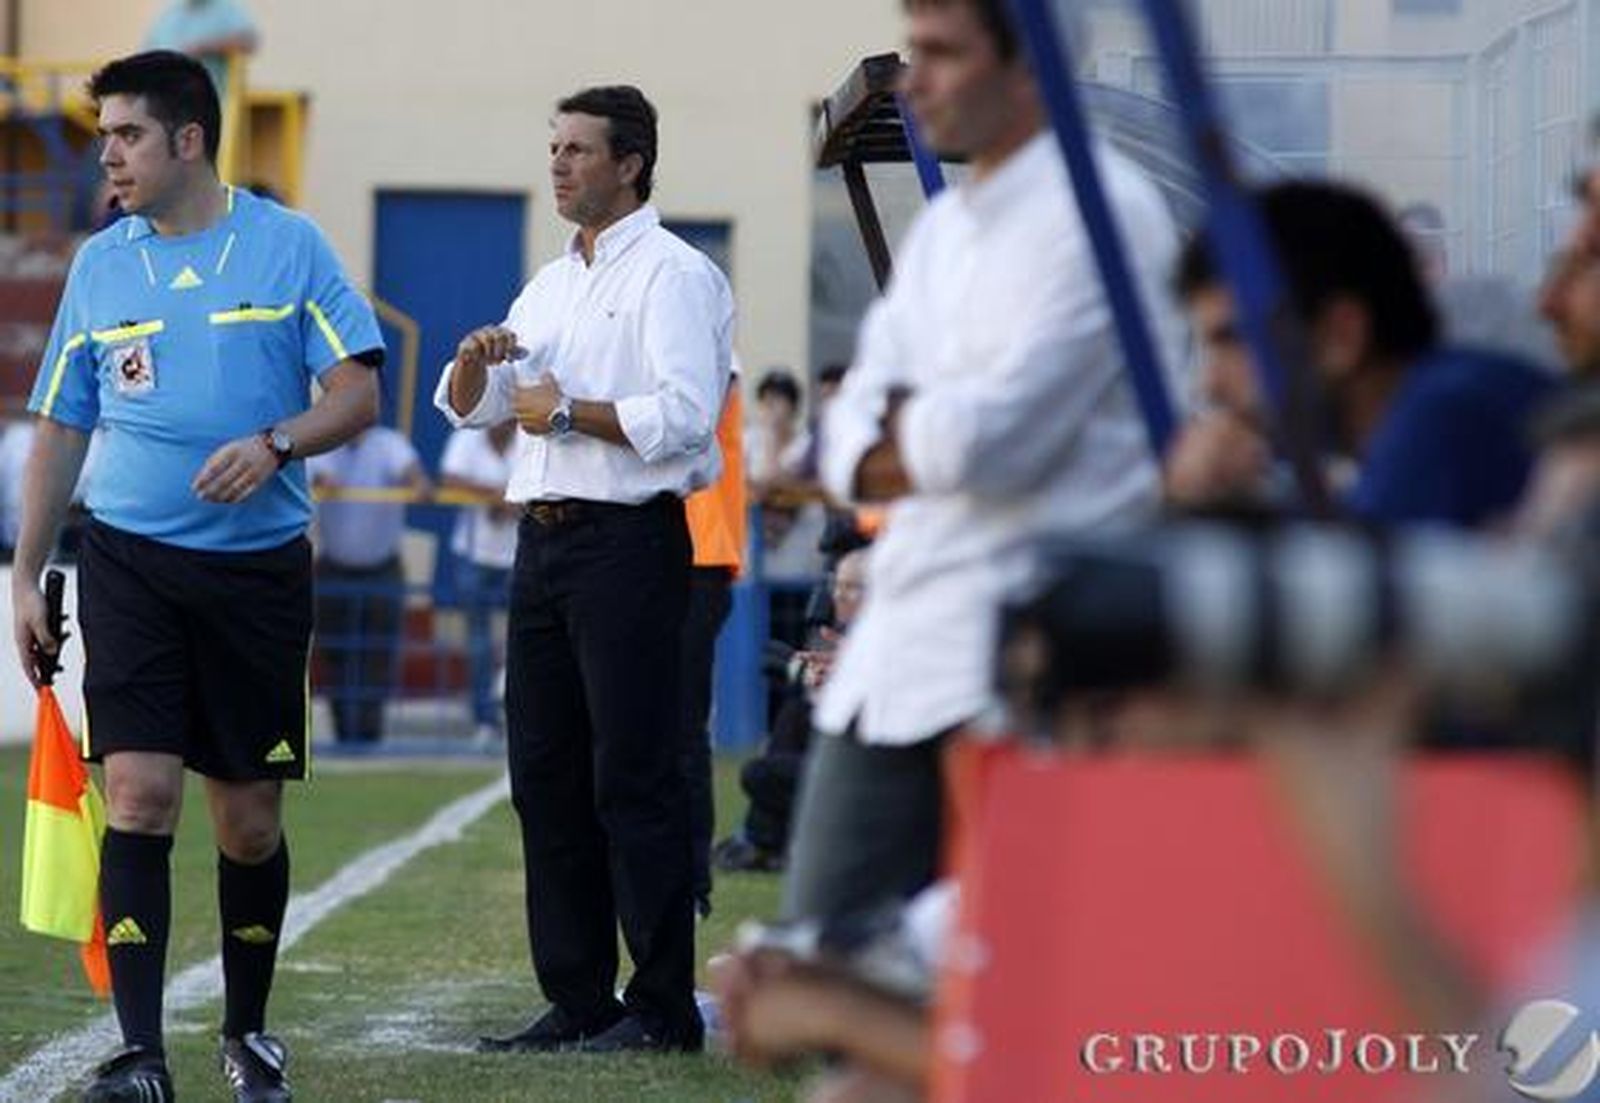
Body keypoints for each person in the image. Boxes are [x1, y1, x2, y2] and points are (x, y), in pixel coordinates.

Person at [8, 50, 381, 1103]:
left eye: (126, 134)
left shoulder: (286, 246)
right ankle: (140, 1056)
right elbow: (63, 423)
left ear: (187, 139)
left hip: (258, 573)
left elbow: (356, 394)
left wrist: (275, 442)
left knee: (248, 816)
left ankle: (250, 1034)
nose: (108, 155)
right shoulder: (100, 264)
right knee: (137, 791)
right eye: (105, 136)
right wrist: (27, 572)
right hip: (126, 560)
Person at [784, 0, 1186, 926]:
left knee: (1014, 985)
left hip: (1032, 658)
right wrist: (896, 435)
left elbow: (991, 442)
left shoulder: (1103, 217)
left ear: (1029, 69)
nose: (915, 78)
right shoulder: (942, 234)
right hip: (901, 647)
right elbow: (843, 439)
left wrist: (894, 431)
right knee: (826, 952)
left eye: (943, 54)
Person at [434, 84, 733, 1054]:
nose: (557, 164)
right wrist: (478, 363)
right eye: (553, 146)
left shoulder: (677, 275)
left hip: (628, 545)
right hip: (544, 543)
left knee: (634, 775)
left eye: (576, 149)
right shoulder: (549, 282)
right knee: (546, 774)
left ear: (630, 163)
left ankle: (659, 1003)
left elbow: (685, 416)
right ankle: (579, 994)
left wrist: (565, 409)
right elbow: (478, 410)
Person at [1167, 180, 1554, 530]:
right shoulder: (1447, 401)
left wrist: (1204, 517)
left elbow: (1378, 592)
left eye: (1232, 341)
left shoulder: (1441, 422)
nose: (1210, 385)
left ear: (1341, 336)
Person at [714, 545, 871, 874]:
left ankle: (762, 843)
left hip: (867, 768)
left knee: (762, 772)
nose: (841, 596)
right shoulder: (840, 639)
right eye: (838, 586)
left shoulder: (882, 643)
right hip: (834, 757)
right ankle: (764, 844)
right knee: (793, 709)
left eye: (853, 587)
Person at [308, 425, 427, 745]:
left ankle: (368, 735)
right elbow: (313, 476)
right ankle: (344, 732)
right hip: (334, 567)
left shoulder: (389, 444)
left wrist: (415, 484)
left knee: (376, 656)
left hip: (381, 569)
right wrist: (321, 483)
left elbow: (414, 475)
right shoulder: (325, 445)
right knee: (335, 654)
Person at [681, 373, 746, 918]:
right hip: (658, 550)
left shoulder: (712, 353)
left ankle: (690, 876)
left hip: (697, 557)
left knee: (680, 728)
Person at [439, 422, 520, 744]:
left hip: (521, 553)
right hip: (474, 552)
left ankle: (516, 715)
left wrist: (503, 500)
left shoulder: (532, 436)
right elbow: (449, 480)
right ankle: (484, 719)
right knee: (478, 642)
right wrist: (500, 498)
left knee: (525, 641)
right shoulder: (467, 437)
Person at [143, 0, 258, 105]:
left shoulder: (225, 8)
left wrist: (204, 47)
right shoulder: (170, 14)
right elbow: (146, 58)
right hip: (168, 104)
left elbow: (249, 41)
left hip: (208, 104)